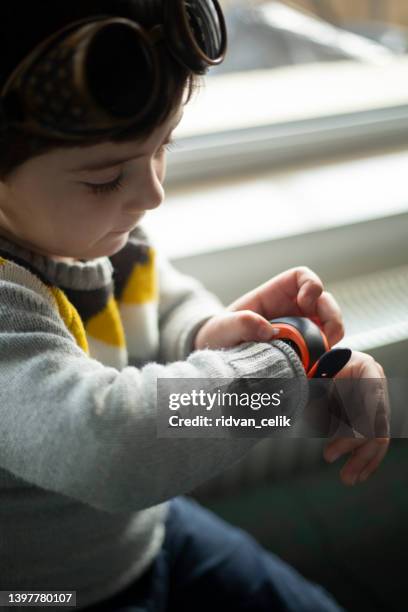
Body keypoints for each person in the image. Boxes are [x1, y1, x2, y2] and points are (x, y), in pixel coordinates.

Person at [0, 2, 389, 611]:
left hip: (149, 536)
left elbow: (158, 308)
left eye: (163, 148)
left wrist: (222, 334)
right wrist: (287, 361)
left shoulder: (94, 238)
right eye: (106, 179)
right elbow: (111, 447)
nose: (152, 194)